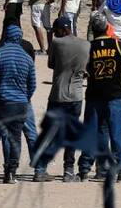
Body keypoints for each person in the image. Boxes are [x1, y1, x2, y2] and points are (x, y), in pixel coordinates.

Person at [36, 15, 89, 182]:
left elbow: (51, 64)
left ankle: (41, 168)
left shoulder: (56, 43)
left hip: (58, 94)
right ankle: (68, 171)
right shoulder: (86, 44)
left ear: (62, 29)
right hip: (76, 95)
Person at [79, 17, 121, 181]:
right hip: (114, 95)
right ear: (107, 28)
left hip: (94, 95)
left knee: (94, 132)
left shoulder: (89, 47)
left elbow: (85, 69)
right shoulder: (117, 44)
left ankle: (86, 168)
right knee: (116, 135)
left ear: (93, 30)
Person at [0, 23, 37, 183]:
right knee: (16, 139)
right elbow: (33, 84)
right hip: (20, 104)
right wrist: (25, 97)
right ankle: (11, 173)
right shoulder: (27, 58)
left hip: (2, 103)